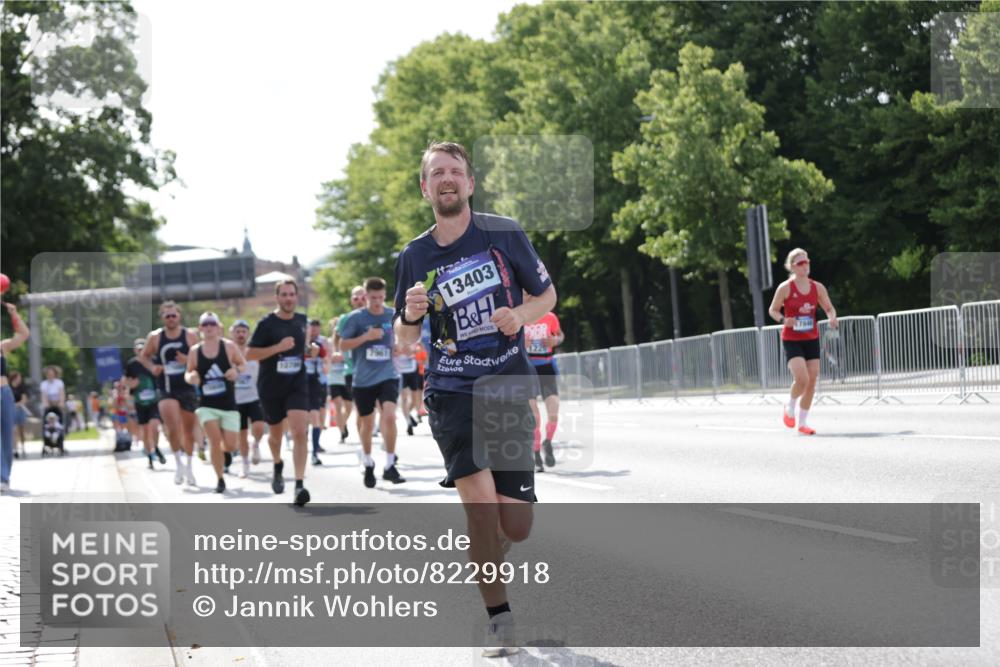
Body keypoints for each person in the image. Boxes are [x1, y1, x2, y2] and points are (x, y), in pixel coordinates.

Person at [393, 141, 557, 657]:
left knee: (517, 526)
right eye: (436, 172)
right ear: (425, 187)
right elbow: (402, 340)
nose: (446, 178)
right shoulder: (415, 256)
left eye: (455, 171)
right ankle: (499, 620)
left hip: (507, 384)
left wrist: (521, 316)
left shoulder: (503, 233)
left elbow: (546, 296)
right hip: (453, 391)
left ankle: (489, 548)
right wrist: (411, 316)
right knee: (481, 511)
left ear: (469, 183)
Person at [247, 279, 312, 507]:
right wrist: (277, 348)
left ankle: (299, 484)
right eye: (284, 294)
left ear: (296, 296)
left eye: (292, 294)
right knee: (275, 436)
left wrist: (310, 350)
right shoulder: (266, 324)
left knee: (299, 431)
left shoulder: (303, 321)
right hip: (271, 386)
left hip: (297, 382)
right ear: (277, 298)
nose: (288, 298)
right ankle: (277, 463)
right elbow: (250, 354)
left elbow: (303, 349)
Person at [339, 277, 406, 488]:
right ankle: (368, 461)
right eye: (373, 298)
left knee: (389, 417)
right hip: (363, 379)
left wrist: (399, 346)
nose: (377, 302)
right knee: (367, 425)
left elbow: (401, 337)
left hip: (388, 375)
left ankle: (389, 465)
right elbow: (343, 345)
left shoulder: (391, 314)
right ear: (366, 296)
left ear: (384, 295)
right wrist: (366, 337)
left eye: (380, 297)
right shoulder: (355, 319)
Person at [768, 247, 839, 436]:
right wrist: (784, 320)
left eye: (807, 262)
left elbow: (829, 308)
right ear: (792, 266)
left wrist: (832, 317)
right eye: (800, 263)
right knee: (802, 379)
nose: (805, 265)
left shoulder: (817, 287)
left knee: (812, 380)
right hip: (792, 339)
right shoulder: (785, 288)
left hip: (811, 338)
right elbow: (773, 310)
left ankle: (803, 422)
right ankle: (790, 406)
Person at [140, 300, 201, 486]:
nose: (171, 319)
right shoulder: (156, 337)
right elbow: (143, 356)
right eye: (167, 316)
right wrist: (153, 367)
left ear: (179, 316)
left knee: (188, 432)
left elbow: (202, 356)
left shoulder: (189, 336)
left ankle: (189, 466)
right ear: (162, 318)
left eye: (174, 315)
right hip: (165, 388)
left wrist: (187, 359)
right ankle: (178, 464)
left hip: (187, 388)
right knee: (172, 427)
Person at [185, 312, 246, 493]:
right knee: (214, 440)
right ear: (200, 328)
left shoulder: (228, 346)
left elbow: (243, 364)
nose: (209, 327)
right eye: (205, 324)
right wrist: (192, 377)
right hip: (206, 405)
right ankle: (220, 479)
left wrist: (236, 370)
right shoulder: (195, 351)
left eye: (212, 323)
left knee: (230, 445)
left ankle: (224, 453)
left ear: (219, 327)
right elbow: (188, 372)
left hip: (228, 404)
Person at [524, 305, 564, 471]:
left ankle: (548, 442)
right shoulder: (520, 317)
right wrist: (521, 343)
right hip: (528, 368)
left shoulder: (550, 317)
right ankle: (536, 452)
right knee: (535, 417)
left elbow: (560, 335)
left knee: (554, 412)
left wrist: (556, 340)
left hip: (546, 367)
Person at [230, 320, 266, 478]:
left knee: (258, 426)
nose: (240, 334)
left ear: (248, 333)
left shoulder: (255, 352)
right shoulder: (228, 352)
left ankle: (256, 444)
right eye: (237, 331)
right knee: (242, 433)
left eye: (243, 331)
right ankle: (245, 464)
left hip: (255, 396)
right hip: (236, 399)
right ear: (232, 334)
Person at [1, 302, 30, 493]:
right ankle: (1, 477)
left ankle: (5, 477)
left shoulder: (2, 346)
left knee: (6, 436)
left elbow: (23, 335)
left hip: (4, 394)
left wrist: (14, 314)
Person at [124, 338, 166, 469]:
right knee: (145, 429)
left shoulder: (153, 361)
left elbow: (161, 375)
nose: (141, 351)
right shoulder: (131, 364)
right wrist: (132, 384)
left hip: (154, 400)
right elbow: (126, 380)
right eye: (138, 349)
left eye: (143, 348)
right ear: (135, 350)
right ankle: (150, 457)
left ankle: (156, 447)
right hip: (140, 401)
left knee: (154, 426)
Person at [333, 286, 366, 442]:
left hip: (377, 370)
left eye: (362, 297)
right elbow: (337, 337)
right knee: (360, 409)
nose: (359, 301)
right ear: (351, 300)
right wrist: (336, 351)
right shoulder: (345, 318)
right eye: (355, 298)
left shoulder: (377, 315)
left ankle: (386, 450)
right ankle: (364, 447)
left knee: (382, 409)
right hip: (352, 370)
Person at [304, 318, 328, 466]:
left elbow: (319, 354)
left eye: (312, 328)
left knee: (315, 416)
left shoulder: (317, 344)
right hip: (296, 383)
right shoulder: (294, 342)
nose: (311, 331)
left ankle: (314, 452)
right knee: (301, 420)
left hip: (313, 381)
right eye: (308, 328)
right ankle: (299, 444)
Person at [327, 317, 351, 443]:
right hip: (333, 378)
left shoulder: (347, 341)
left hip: (345, 377)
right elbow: (324, 359)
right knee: (337, 406)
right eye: (336, 328)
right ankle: (342, 432)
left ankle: (343, 423)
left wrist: (344, 358)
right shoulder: (328, 343)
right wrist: (332, 358)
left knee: (349, 407)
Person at [394, 341, 421, 436]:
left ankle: (407, 414)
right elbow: (393, 352)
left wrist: (408, 350)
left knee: (414, 400)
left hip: (412, 370)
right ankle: (408, 422)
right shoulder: (395, 337)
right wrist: (399, 350)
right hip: (400, 371)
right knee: (404, 398)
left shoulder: (413, 336)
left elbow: (417, 350)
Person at [8, 370, 28, 458]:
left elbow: (24, 399)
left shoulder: (21, 387)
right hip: (11, 410)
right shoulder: (8, 387)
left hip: (20, 409)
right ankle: (15, 448)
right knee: (14, 430)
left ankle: (23, 447)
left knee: (21, 430)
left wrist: (16, 404)